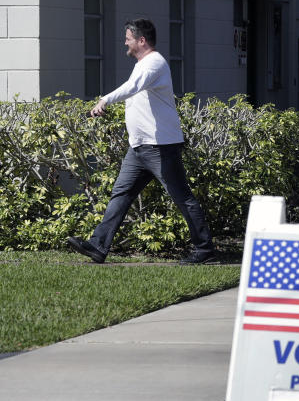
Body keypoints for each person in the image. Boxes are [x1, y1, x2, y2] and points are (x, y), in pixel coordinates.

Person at [66, 18, 216, 264]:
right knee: (121, 194)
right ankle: (98, 246)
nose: (125, 41)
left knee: (182, 196)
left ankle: (204, 250)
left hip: (160, 147)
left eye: (128, 38)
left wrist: (105, 99)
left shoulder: (154, 63)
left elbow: (133, 86)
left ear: (141, 40)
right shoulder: (143, 64)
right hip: (139, 147)